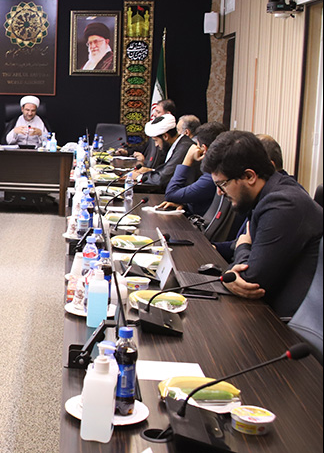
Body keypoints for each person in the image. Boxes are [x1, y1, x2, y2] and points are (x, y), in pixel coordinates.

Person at [203, 131, 323, 318]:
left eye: (222, 184)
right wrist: (239, 247)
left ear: (249, 176)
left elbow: (251, 281)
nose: (219, 192)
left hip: (285, 324)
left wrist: (243, 246)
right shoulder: (270, 194)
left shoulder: (282, 204)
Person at [157, 121, 226, 215]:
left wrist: (187, 159)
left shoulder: (212, 177)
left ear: (204, 149)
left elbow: (170, 194)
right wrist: (185, 206)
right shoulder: (223, 171)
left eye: (197, 146)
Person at [133, 114, 196, 191]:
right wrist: (150, 171)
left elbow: (163, 179)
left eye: (156, 140)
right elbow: (168, 170)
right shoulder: (180, 144)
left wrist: (138, 177)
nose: (156, 145)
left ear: (165, 136)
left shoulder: (184, 147)